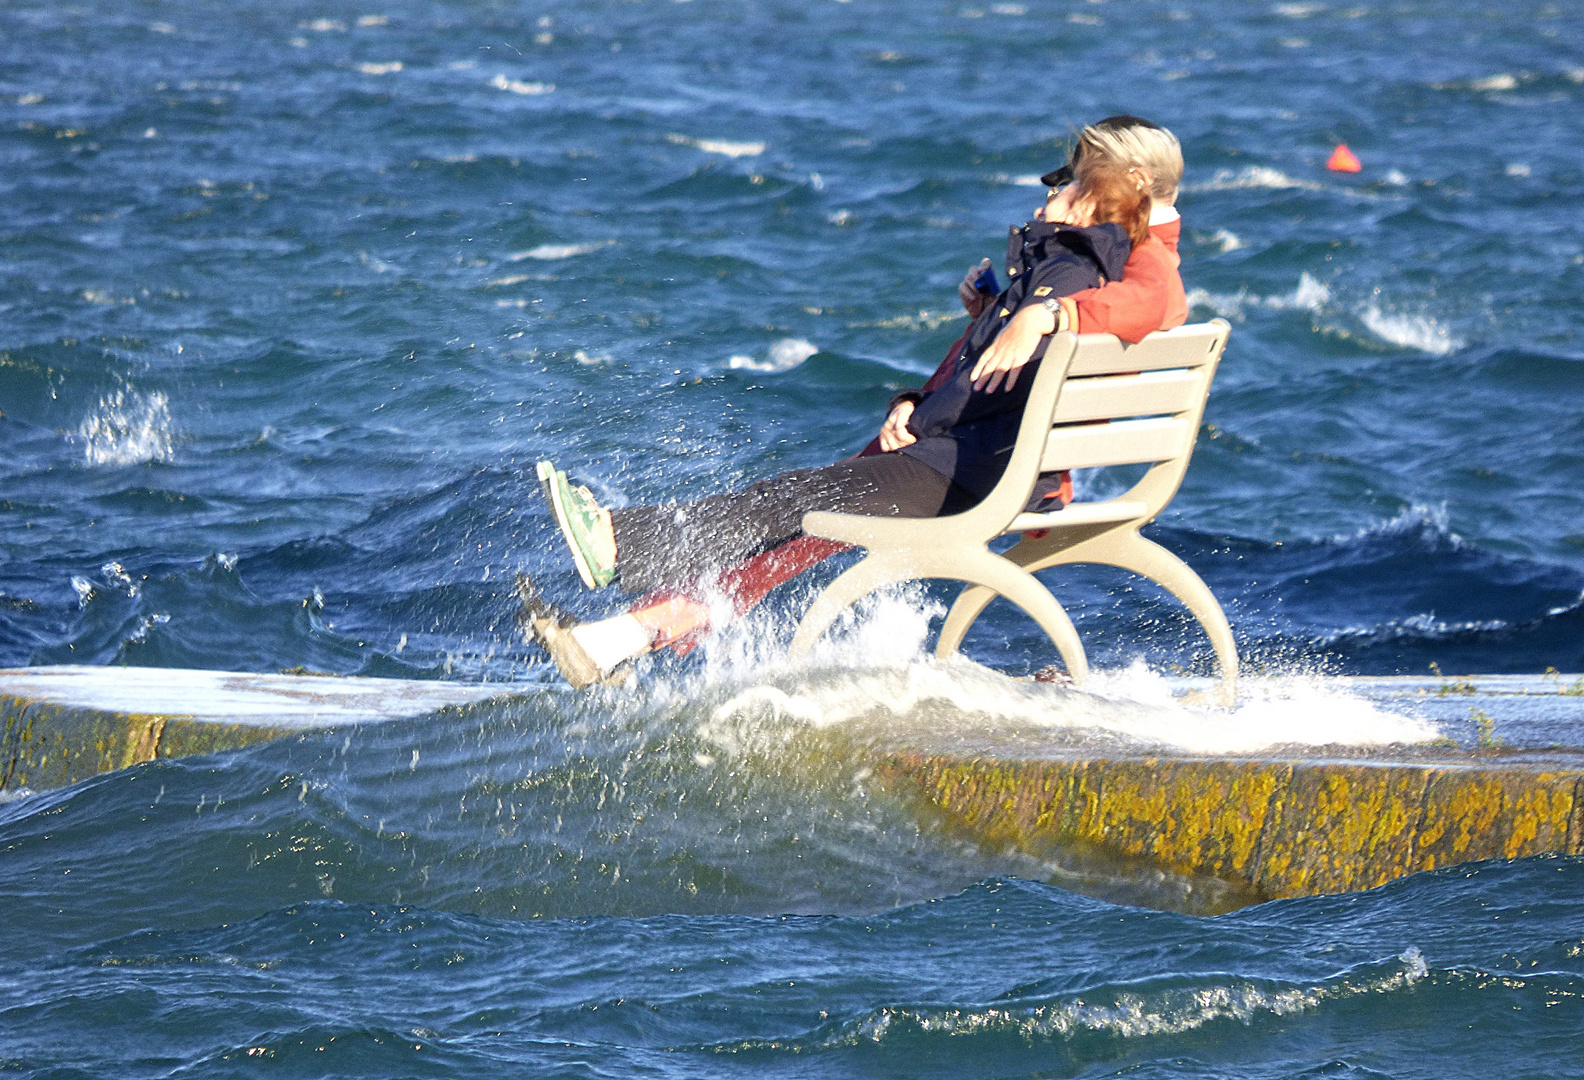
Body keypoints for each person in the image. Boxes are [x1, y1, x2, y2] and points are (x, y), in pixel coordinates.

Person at [521, 157, 1156, 688]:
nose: (1049, 193)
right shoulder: (1063, 278)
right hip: (975, 463)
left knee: (794, 500)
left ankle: (618, 544)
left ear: (1088, 207)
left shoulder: (1064, 276)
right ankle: (615, 640)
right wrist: (970, 337)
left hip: (962, 474)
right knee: (795, 518)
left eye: (1064, 186)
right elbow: (997, 383)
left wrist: (918, 414)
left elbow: (994, 386)